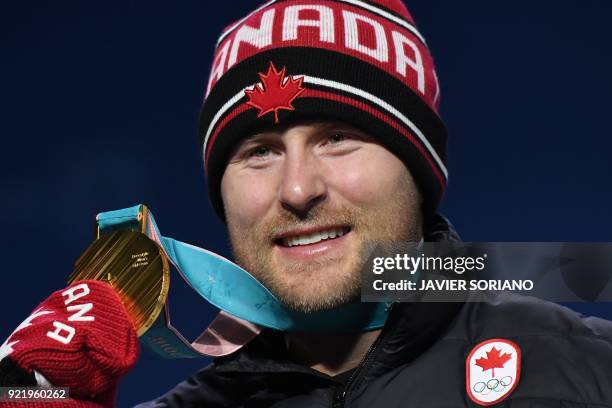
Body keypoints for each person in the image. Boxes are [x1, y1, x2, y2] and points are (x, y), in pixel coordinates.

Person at [2, 0, 612, 407]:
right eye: (260, 151)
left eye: (338, 137)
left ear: (419, 174)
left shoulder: (583, 371)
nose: (297, 190)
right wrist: (21, 393)